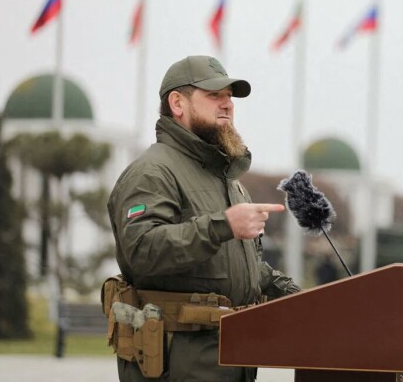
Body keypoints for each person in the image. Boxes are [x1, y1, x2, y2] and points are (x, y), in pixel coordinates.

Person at [106, 55, 301, 382]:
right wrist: (224, 225)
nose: (227, 104)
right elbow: (141, 251)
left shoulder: (226, 180)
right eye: (214, 95)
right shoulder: (151, 173)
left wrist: (302, 298)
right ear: (178, 103)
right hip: (179, 363)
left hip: (229, 360)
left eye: (230, 97)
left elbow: (234, 269)